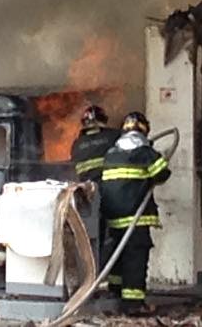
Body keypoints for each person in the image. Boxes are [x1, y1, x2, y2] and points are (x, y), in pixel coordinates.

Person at [99, 111, 171, 316]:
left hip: (113, 218)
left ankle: (115, 294)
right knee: (135, 259)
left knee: (118, 256)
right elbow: (162, 173)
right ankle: (133, 304)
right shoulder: (143, 151)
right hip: (134, 219)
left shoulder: (111, 152)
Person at [71, 105, 120, 183]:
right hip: (109, 182)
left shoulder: (76, 144)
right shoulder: (113, 135)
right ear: (103, 120)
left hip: (86, 186)